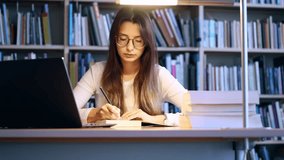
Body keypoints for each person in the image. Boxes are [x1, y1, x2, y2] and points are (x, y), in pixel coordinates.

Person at [73, 6, 187, 125]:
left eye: (138, 41)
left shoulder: (159, 74)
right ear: (114, 39)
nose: (129, 47)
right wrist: (97, 114)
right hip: (109, 142)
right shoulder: (98, 71)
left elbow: (197, 113)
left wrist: (152, 119)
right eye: (123, 39)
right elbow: (64, 113)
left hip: (148, 142)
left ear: (147, 43)